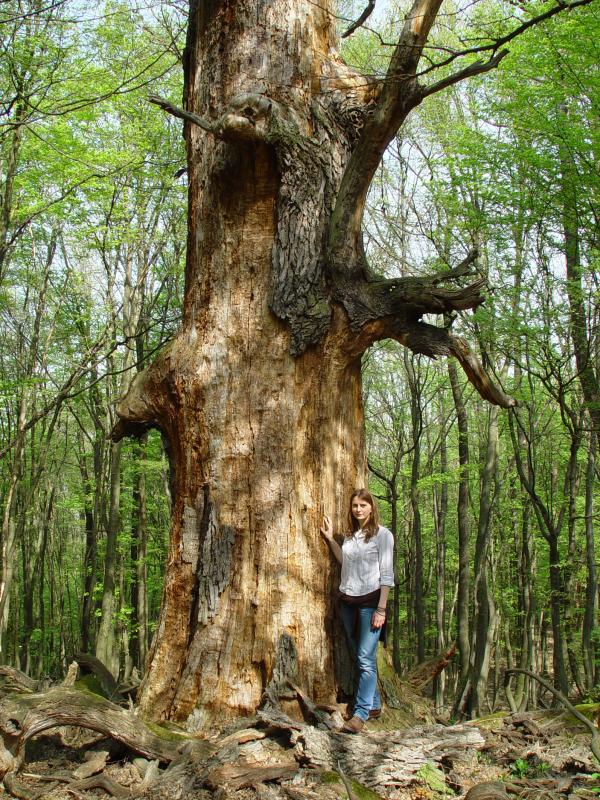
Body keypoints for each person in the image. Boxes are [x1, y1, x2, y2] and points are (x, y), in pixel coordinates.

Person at [320, 488, 394, 734]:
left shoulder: (383, 536)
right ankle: (373, 704)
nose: (359, 509)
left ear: (372, 508)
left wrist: (381, 609)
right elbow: (345, 561)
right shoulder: (352, 536)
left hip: (371, 603)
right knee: (357, 654)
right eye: (355, 505)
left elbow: (387, 575)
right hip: (347, 601)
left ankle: (360, 714)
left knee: (365, 657)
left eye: (363, 505)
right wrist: (331, 539)